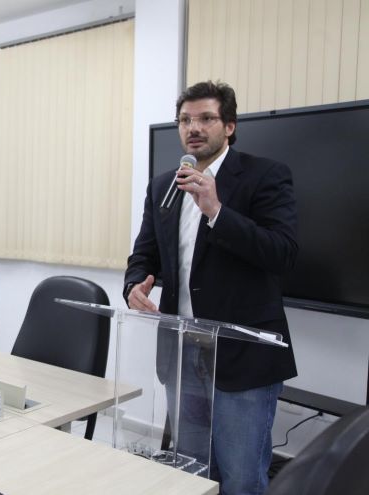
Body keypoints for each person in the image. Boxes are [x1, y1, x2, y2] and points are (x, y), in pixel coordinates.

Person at [124, 81, 297, 495]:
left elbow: (283, 253)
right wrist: (134, 284)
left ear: (230, 126)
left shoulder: (265, 176)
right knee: (192, 470)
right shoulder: (164, 185)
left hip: (243, 354)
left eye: (206, 118)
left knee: (241, 477)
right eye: (185, 120)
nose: (193, 128)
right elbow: (144, 254)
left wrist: (217, 211)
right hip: (182, 349)